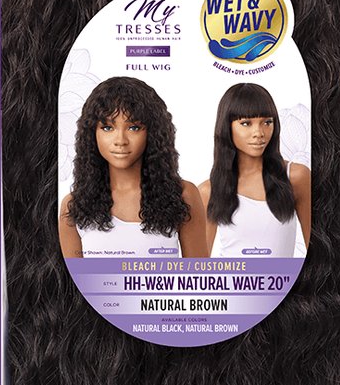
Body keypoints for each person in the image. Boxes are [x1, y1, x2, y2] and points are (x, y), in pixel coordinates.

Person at [59, 77, 206, 258]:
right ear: (92, 134)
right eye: (107, 128)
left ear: (152, 133)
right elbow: (71, 276)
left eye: (134, 128)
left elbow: (198, 273)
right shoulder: (73, 206)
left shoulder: (184, 195)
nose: (120, 140)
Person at [198, 83, 310, 257]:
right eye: (246, 123)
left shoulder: (296, 177)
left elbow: (318, 255)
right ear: (227, 127)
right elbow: (198, 266)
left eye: (267, 122)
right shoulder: (209, 191)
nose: (259, 133)